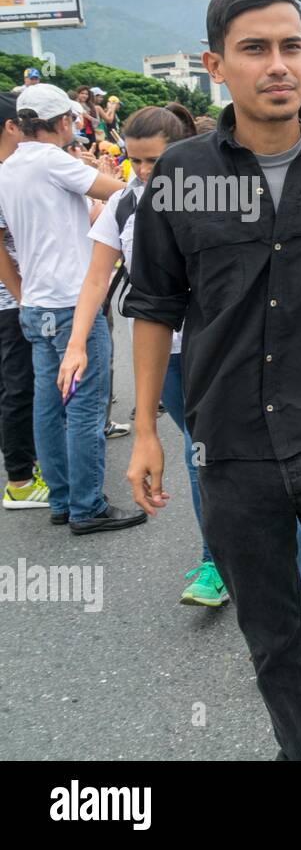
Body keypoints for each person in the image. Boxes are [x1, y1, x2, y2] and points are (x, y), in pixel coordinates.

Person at [124, 0, 301, 761]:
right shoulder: (179, 172)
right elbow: (153, 305)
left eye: (291, 47)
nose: (278, 65)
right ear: (218, 65)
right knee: (274, 634)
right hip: (232, 441)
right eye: (255, 50)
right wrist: (146, 430)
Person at [56, 104, 217, 600]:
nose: (144, 171)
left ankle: (249, 558)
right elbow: (96, 276)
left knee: (220, 453)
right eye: (134, 160)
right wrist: (77, 342)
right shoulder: (126, 203)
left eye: (152, 160)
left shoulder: (215, 197)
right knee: (200, 452)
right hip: (162, 352)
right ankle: (217, 562)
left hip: (219, 346)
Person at [0, 84, 144, 534]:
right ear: (63, 121)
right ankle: (88, 506)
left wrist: (21, 291)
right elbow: (123, 193)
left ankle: (62, 499)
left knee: (49, 403)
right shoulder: (53, 160)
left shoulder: (8, 168)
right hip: (72, 301)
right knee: (83, 406)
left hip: (35, 303)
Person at [0, 92, 49, 509]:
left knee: (16, 386)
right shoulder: (5, 173)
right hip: (9, 302)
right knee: (19, 388)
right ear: (11, 126)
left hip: (14, 299)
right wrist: (21, 296)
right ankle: (19, 480)